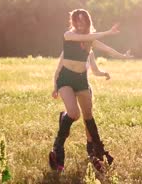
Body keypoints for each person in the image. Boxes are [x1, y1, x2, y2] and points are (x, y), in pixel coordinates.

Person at [49, 9, 132, 172]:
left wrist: (122, 55)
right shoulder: (68, 35)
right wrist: (108, 32)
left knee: (89, 117)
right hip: (66, 78)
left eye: (83, 21)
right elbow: (85, 40)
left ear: (87, 22)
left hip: (81, 80)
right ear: (73, 21)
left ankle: (97, 151)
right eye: (76, 20)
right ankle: (57, 149)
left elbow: (106, 49)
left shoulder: (90, 41)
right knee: (74, 114)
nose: (80, 24)